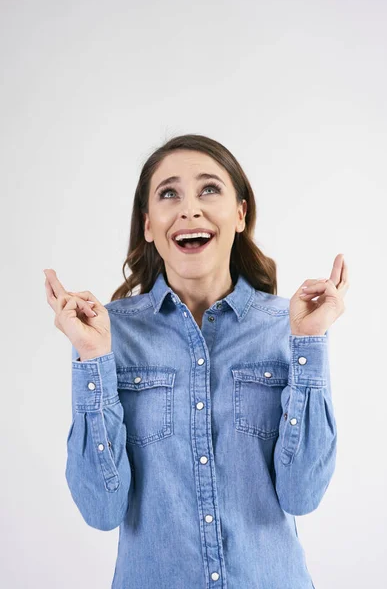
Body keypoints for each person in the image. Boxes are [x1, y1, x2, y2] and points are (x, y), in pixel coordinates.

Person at [44, 134, 348, 589]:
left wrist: (308, 343)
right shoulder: (107, 334)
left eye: (209, 189)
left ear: (240, 213)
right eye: (169, 194)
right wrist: (93, 360)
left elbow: (302, 494)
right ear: (148, 224)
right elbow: (101, 510)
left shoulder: (287, 325)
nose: (189, 209)